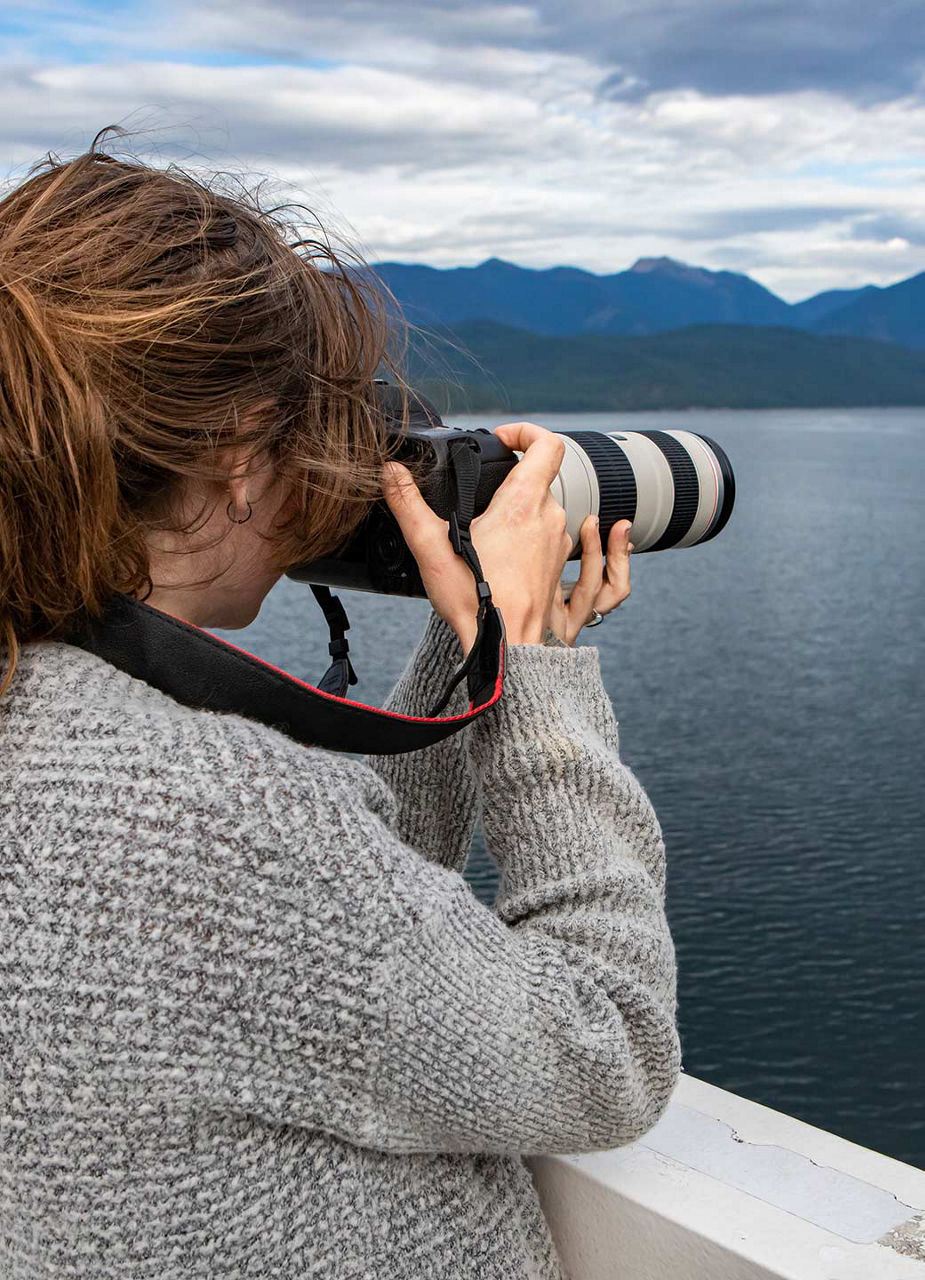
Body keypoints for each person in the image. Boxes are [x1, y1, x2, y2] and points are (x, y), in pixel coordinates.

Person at [0, 136, 681, 1280]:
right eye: (309, 432)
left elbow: (342, 917)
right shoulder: (202, 811)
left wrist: (471, 635)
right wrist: (542, 672)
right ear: (235, 456)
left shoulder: (50, 696)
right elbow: (602, 1049)